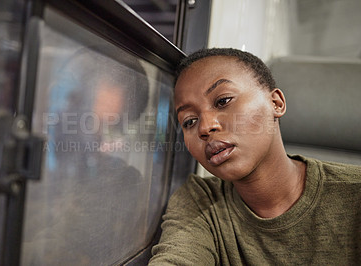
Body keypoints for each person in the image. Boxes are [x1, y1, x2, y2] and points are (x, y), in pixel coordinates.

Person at [149, 48, 361, 265]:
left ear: (275, 104)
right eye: (189, 121)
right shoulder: (199, 200)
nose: (205, 127)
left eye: (223, 101)